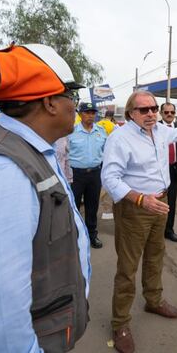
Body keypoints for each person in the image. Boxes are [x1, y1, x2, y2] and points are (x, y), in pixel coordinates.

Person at [0, 43, 91, 352]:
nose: (75, 106)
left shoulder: (31, 148)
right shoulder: (0, 173)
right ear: (50, 102)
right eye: (71, 97)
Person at [101, 91, 177, 353]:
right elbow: (110, 179)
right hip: (135, 208)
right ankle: (120, 323)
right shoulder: (119, 138)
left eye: (154, 108)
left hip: (161, 204)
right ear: (131, 113)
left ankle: (153, 301)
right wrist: (141, 200)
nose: (151, 113)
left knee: (156, 255)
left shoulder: (161, 131)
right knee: (128, 267)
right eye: (144, 110)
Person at [69, 102, 107, 248]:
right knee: (74, 207)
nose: (91, 115)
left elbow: (106, 152)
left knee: (92, 206)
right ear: (80, 114)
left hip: (95, 174)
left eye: (93, 112)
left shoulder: (101, 131)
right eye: (87, 112)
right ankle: (75, 237)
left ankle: (92, 235)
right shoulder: (71, 131)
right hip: (76, 175)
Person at [160, 102, 177, 242]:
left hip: (174, 169)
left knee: (171, 202)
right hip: (158, 171)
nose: (169, 115)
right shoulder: (155, 128)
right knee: (157, 200)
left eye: (172, 112)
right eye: (166, 112)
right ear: (161, 113)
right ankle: (155, 231)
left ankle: (169, 230)